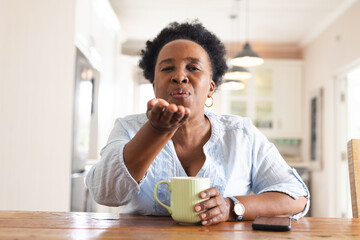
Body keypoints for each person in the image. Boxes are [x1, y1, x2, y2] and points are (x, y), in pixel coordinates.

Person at [85, 20, 309, 226]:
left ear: (211, 87)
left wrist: (232, 207)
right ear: (154, 86)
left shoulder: (241, 134)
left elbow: (295, 195)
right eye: (167, 68)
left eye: (193, 68)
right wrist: (156, 131)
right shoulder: (128, 128)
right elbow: (105, 193)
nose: (180, 76)